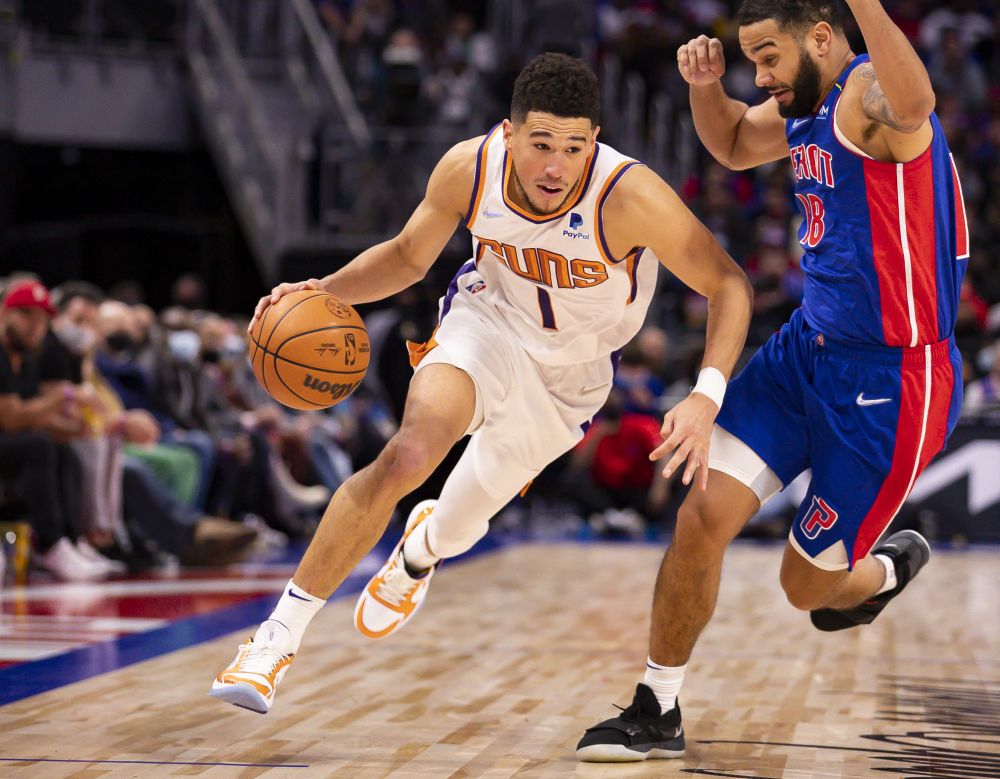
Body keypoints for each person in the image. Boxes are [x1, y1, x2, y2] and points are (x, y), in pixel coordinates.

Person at [209, 52, 753, 715]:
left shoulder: (630, 196)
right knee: (409, 453)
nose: (556, 166)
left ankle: (421, 550)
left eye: (574, 147)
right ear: (510, 132)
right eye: (541, 144)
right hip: (485, 326)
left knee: (461, 523)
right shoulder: (471, 168)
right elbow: (408, 256)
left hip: (570, 379)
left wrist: (706, 393)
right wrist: (321, 292)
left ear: (595, 140)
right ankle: (274, 640)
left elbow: (728, 283)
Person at [576, 0, 968, 762]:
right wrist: (704, 87)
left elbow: (916, 102)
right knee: (701, 515)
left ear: (821, 37)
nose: (758, 77)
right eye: (751, 59)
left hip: (894, 382)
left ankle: (881, 572)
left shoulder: (868, 97)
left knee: (804, 588)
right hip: (806, 351)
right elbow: (727, 142)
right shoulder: (802, 107)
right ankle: (658, 704)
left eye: (767, 58)